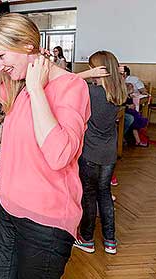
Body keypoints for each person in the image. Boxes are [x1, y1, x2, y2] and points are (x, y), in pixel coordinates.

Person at [0, 13, 90, 279]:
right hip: (9, 211)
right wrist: (4, 62)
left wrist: (38, 88)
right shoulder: (19, 86)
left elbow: (59, 154)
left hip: (45, 222)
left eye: (1, 56)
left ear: (27, 44)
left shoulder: (71, 87)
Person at [74, 51, 126, 255]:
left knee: (89, 196)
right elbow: (117, 79)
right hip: (109, 153)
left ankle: (87, 239)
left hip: (90, 152)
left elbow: (66, 81)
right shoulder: (120, 91)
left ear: (98, 70)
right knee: (104, 193)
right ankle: (110, 240)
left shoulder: (90, 92)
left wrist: (87, 75)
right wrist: (115, 73)